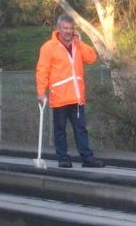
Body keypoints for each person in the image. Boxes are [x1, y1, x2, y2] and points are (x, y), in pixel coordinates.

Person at [36, 14, 105, 168]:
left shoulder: (77, 45)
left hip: (77, 97)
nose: (68, 31)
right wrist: (41, 92)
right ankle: (63, 158)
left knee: (81, 129)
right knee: (60, 130)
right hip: (59, 97)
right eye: (65, 28)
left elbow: (91, 58)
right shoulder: (48, 47)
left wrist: (80, 43)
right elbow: (42, 71)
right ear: (58, 29)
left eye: (71, 28)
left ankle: (87, 158)